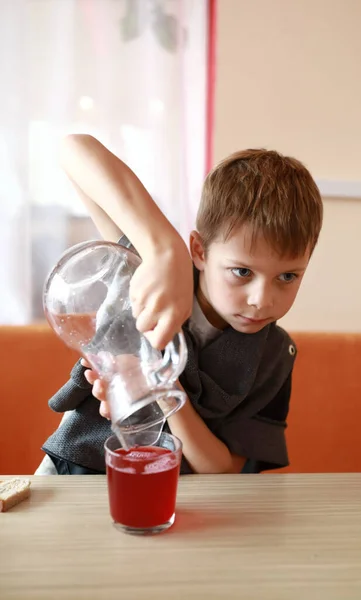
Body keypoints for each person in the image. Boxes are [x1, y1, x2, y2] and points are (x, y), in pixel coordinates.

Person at [37, 135, 323, 476]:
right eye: (242, 271)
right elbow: (73, 149)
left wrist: (161, 387)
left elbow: (223, 468)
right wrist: (162, 247)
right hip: (71, 469)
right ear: (200, 251)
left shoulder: (275, 356)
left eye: (288, 277)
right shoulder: (146, 272)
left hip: (173, 498)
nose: (262, 299)